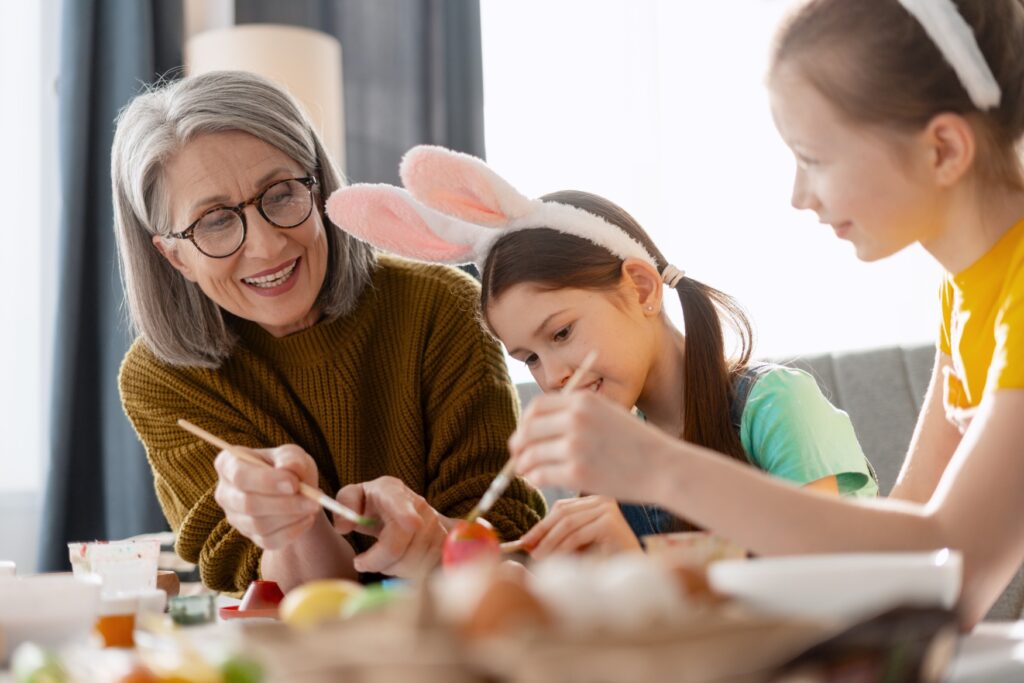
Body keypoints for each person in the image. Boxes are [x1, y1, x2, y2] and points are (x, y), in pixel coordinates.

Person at [504, 0, 1024, 627]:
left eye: (815, 157)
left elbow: (956, 568)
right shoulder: (967, 293)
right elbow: (911, 533)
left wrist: (658, 467)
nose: (799, 195)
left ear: (942, 148)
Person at [325, 144, 877, 560]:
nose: (555, 376)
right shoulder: (608, 457)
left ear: (640, 288)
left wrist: (637, 565)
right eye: (530, 359)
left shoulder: (774, 406)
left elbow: (824, 572)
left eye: (561, 334)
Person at [111, 71, 545, 594]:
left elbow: (509, 543)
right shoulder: (161, 378)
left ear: (319, 189)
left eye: (281, 193)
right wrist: (291, 524)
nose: (268, 246)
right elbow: (294, 598)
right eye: (216, 221)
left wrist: (434, 540)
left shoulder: (440, 308)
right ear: (175, 255)